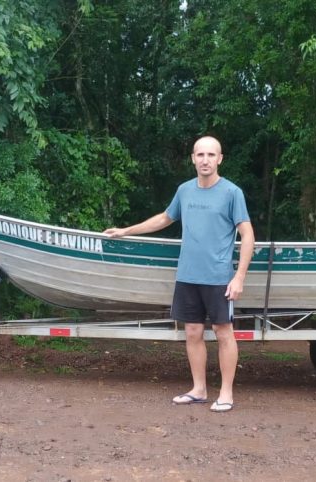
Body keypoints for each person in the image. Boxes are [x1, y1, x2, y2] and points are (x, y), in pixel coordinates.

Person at [103, 136, 254, 413]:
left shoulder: (232, 192)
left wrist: (239, 277)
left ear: (220, 159)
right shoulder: (184, 190)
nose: (205, 160)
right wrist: (125, 231)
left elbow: (247, 235)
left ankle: (226, 394)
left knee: (223, 333)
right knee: (192, 332)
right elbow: (164, 218)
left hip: (219, 277)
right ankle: (199, 390)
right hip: (187, 275)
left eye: (211, 155)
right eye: (200, 155)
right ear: (193, 158)